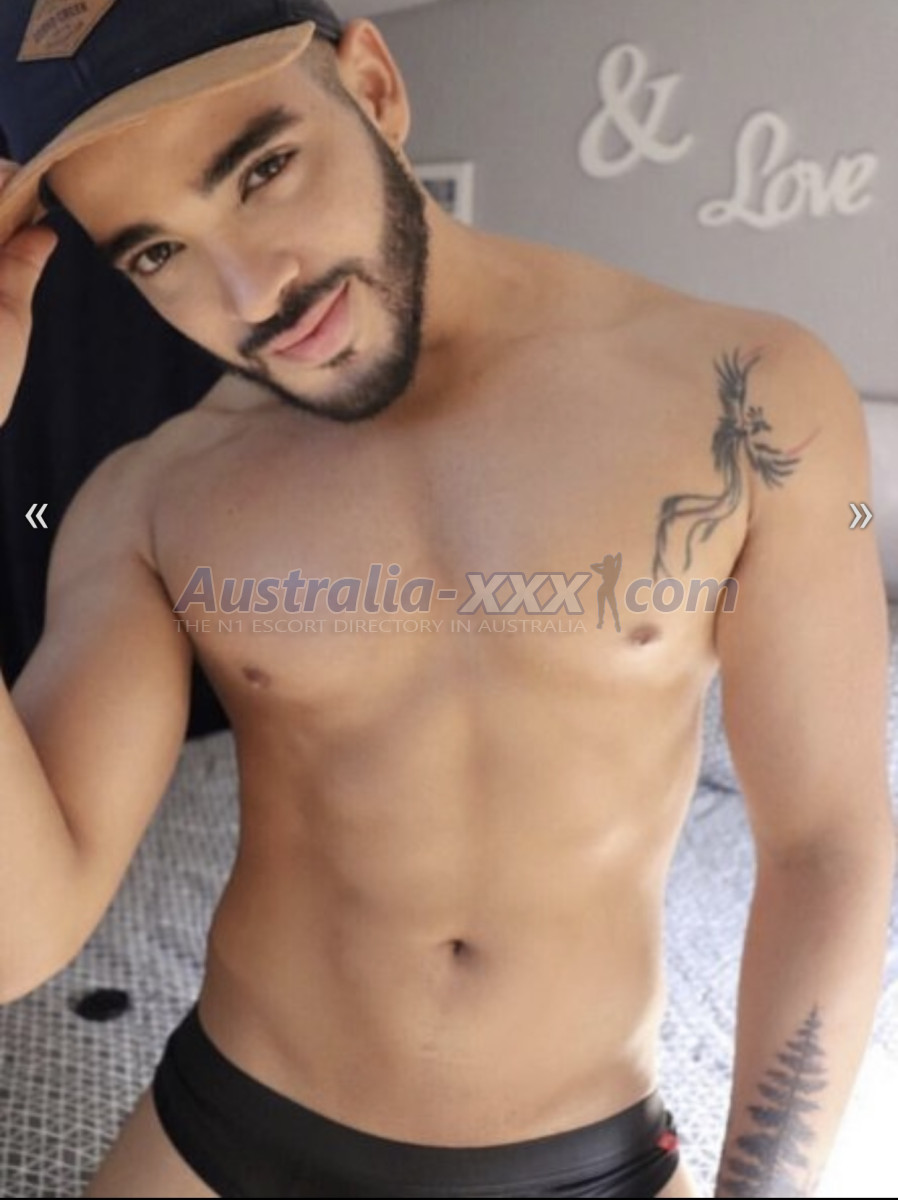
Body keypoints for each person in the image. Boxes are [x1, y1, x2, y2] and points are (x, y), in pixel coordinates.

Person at [0, 1, 893, 1196]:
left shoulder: (746, 398)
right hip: (229, 1131)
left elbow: (825, 846)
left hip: (581, 1156)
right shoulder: (153, 497)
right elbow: (19, 940)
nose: (252, 291)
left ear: (373, 87)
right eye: (157, 252)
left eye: (263, 170)